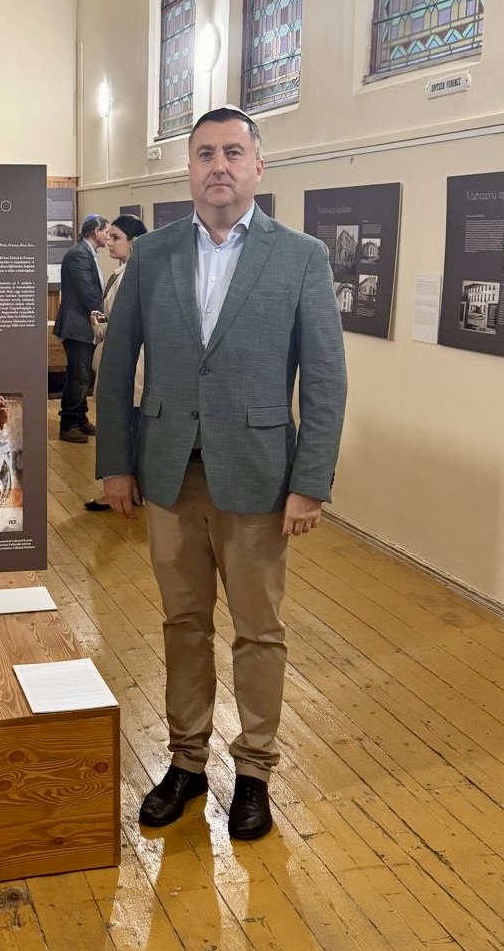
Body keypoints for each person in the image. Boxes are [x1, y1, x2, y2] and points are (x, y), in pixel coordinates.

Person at [96, 106, 347, 839]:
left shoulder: (300, 256)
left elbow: (324, 380)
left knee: (259, 629)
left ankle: (256, 769)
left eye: (233, 152)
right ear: (189, 169)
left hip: (259, 477)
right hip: (169, 472)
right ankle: (186, 761)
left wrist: (310, 481)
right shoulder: (153, 254)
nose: (219, 166)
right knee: (182, 622)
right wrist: (115, 464)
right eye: (205, 153)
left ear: (258, 166)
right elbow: (118, 366)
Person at [84, 213, 148, 511]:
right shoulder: (123, 273)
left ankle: (125, 489)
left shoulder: (132, 276)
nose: (108, 242)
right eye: (109, 236)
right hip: (119, 359)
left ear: (134, 243)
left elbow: (126, 326)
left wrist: (102, 325)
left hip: (131, 365)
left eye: (116, 237)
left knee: (128, 427)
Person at [53, 214, 110, 442]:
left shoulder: (86, 253)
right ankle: (69, 424)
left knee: (82, 375)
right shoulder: (79, 254)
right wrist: (106, 317)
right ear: (96, 232)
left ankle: (80, 418)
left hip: (83, 325)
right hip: (77, 326)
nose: (108, 237)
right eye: (107, 232)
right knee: (79, 377)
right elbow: (89, 293)